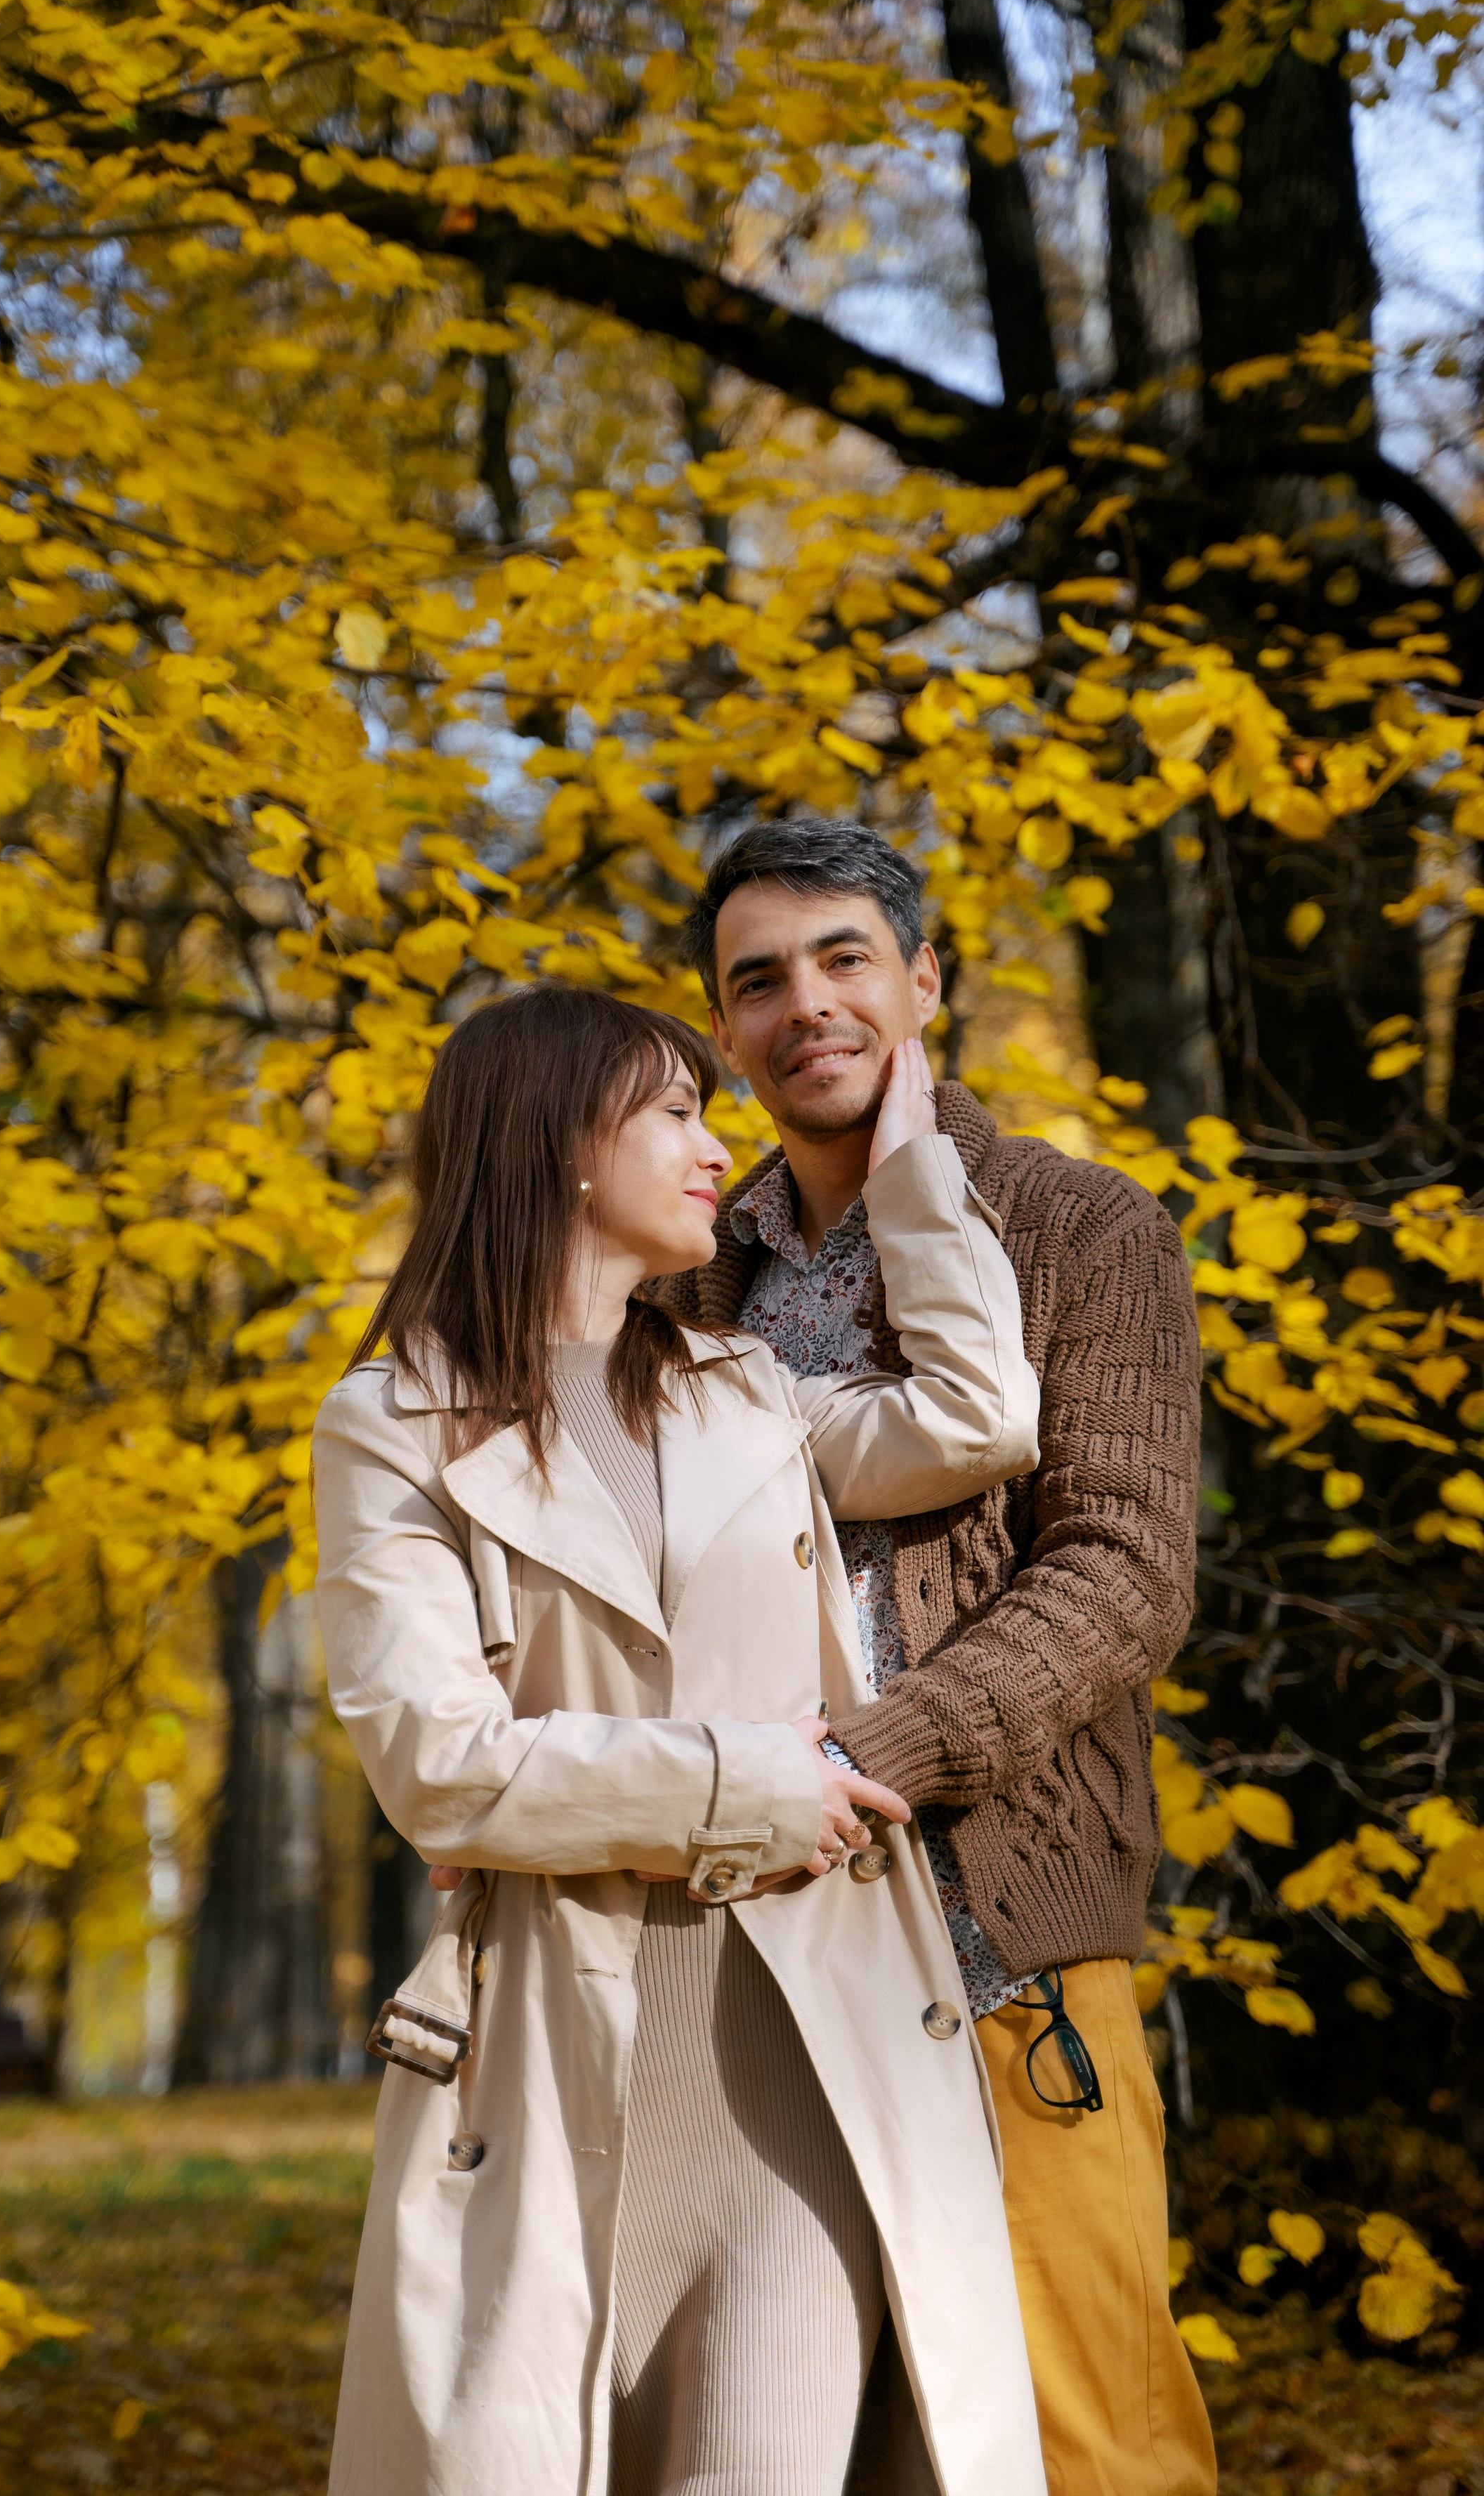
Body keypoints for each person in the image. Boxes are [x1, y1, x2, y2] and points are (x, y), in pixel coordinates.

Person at [312, 982, 1047, 2496]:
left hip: (796, 2047)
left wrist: (914, 1168)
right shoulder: (390, 1422)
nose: (722, 1148)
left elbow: (981, 1417)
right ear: (561, 1147)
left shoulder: (750, 1396)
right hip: (546, 2052)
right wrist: (754, 1779)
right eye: (676, 1112)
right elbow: (439, 1764)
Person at [664, 816, 1214, 2496]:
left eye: (843, 960)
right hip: (736, 1957)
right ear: (725, 1027)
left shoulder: (1081, 1230)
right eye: (756, 981)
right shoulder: (683, 1277)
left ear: (926, 983)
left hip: (995, 1938)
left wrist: (878, 1754)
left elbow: (1122, 1572)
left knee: (1079, 2439)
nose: (803, 1006)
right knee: (787, 2442)